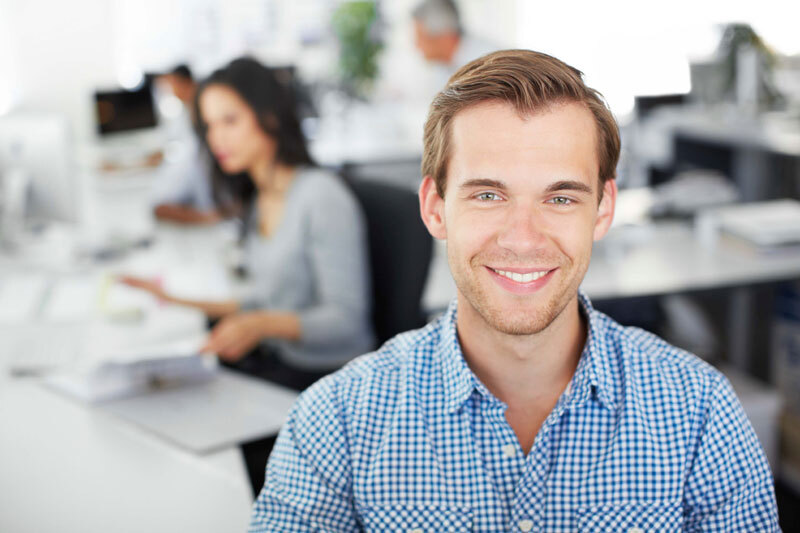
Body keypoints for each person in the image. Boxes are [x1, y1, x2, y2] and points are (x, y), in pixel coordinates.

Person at [249, 50, 780, 531]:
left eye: (561, 199)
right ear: (435, 207)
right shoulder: (334, 422)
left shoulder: (699, 413)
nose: (523, 239)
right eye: (487, 194)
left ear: (604, 208)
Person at [123, 57, 374, 388]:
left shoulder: (320, 197)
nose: (217, 139)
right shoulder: (260, 198)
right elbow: (262, 301)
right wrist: (171, 297)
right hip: (278, 362)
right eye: (209, 126)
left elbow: (347, 323)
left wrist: (258, 326)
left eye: (230, 121)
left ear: (268, 116)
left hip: (326, 380)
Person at [152, 64, 220, 225]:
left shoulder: (204, 109)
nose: (170, 91)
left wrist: (207, 217)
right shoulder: (183, 113)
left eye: (172, 85)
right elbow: (171, 146)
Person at [411, 0, 496, 88]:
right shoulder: (442, 67)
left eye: (420, 37)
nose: (417, 45)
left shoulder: (489, 63)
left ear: (444, 35)